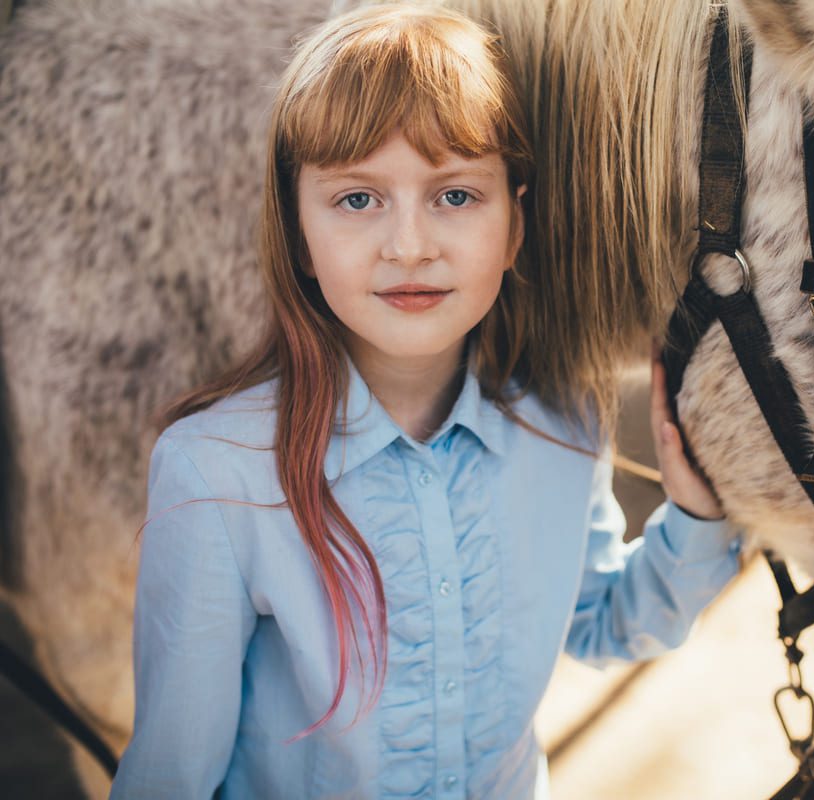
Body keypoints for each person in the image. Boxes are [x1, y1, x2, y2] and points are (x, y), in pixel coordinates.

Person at [109, 5, 740, 799]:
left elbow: (600, 621)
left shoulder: (564, 419)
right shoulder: (214, 473)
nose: (410, 246)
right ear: (298, 235)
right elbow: (171, 775)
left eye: (456, 196)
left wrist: (698, 516)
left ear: (514, 225)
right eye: (358, 200)